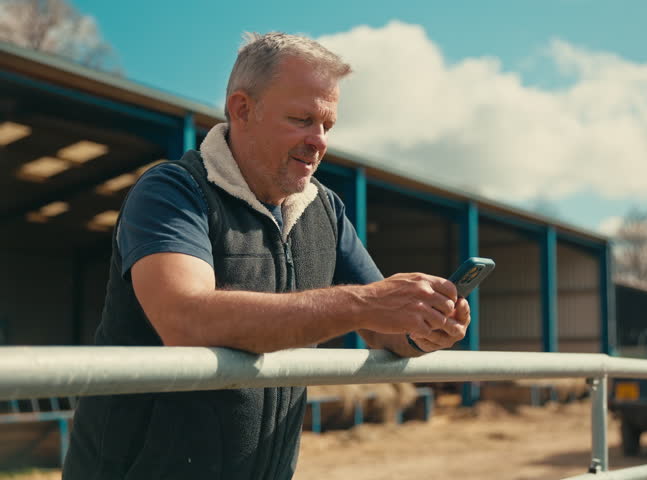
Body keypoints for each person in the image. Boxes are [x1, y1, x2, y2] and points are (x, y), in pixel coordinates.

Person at [63, 32, 470, 480]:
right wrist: (368, 304)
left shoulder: (325, 210)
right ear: (242, 109)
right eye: (301, 119)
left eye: (327, 126)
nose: (319, 141)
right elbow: (184, 318)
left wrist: (423, 325)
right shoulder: (174, 191)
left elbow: (382, 327)